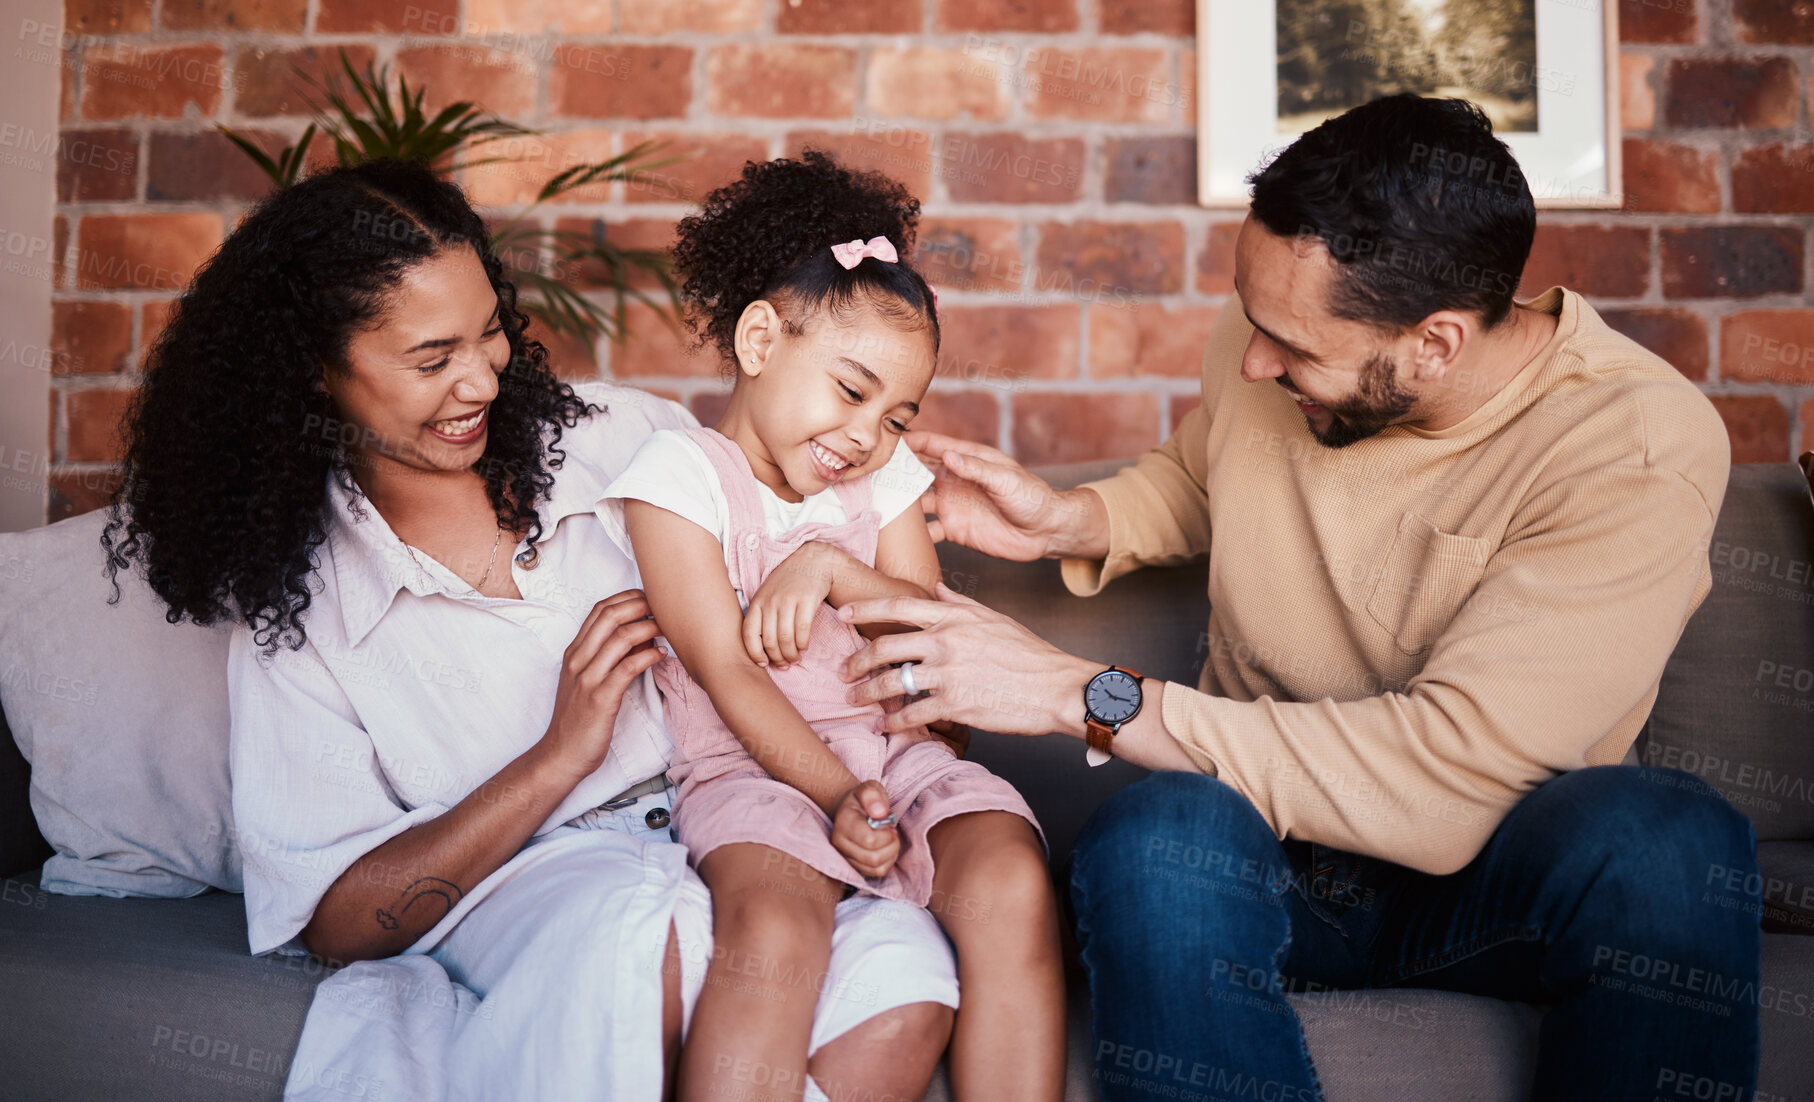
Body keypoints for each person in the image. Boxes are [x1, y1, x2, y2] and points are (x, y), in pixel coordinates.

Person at [836, 95, 1762, 1099]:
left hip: (1484, 877)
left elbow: (1445, 780)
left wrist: (1077, 693)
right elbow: (1210, 476)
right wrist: (1074, 520)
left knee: (1667, 838)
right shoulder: (1275, 330)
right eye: (1252, 316)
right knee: (1153, 839)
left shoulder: (1634, 443)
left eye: (1293, 349)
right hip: (1252, 846)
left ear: (1435, 343)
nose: (1252, 359)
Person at [101, 157, 959, 1102]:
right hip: (547, 883)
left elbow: (839, 569)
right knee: (647, 939)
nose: (479, 379)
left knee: (905, 983)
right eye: (432, 359)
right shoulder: (306, 609)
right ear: (314, 371)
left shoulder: (629, 443)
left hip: (754, 828)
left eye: (490, 334)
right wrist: (561, 753)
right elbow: (338, 923)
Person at [603, 152, 1064, 1102]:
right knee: (774, 930)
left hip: (902, 761)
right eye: (853, 393)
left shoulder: (883, 482)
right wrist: (838, 794)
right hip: (753, 771)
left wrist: (828, 567)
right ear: (762, 339)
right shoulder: (677, 477)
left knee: (1011, 879)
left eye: (899, 418)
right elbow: (728, 675)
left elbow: (923, 635)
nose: (868, 436)